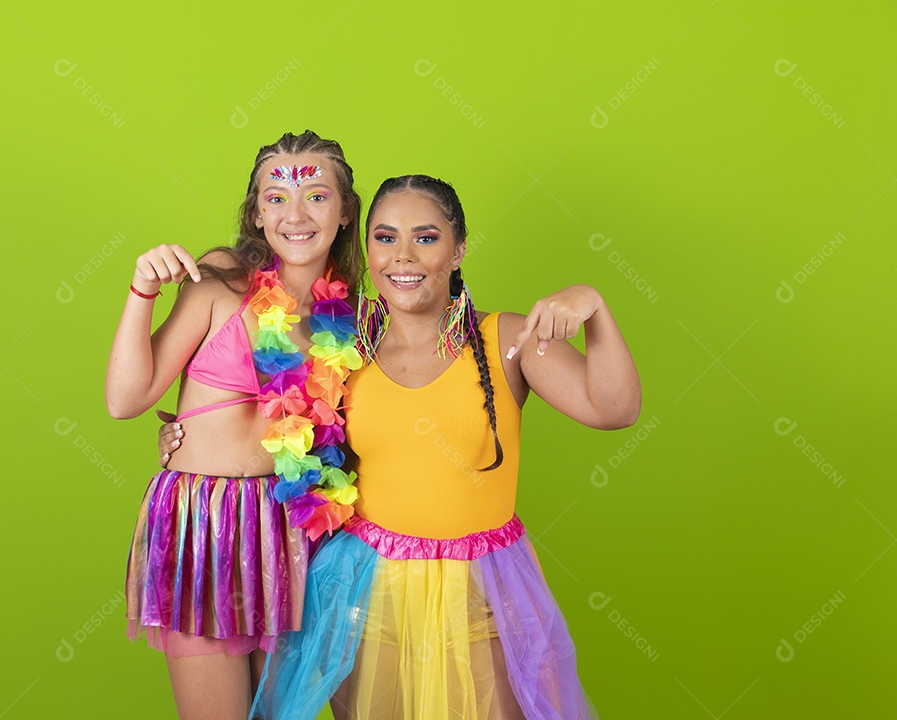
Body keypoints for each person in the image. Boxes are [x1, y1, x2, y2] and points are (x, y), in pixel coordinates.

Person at [244, 175, 642, 718]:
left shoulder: (507, 340)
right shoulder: (339, 346)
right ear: (367, 248)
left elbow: (614, 409)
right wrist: (178, 435)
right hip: (364, 588)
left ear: (457, 251)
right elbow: (265, 418)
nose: (402, 256)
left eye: (425, 238)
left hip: (481, 589)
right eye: (384, 238)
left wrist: (596, 310)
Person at [105, 130, 364, 720]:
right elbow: (127, 398)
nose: (294, 214)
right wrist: (141, 288)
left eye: (316, 196)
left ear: (346, 211)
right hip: (205, 525)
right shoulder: (221, 279)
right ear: (255, 212)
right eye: (275, 197)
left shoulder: (350, 320)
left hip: (299, 530)